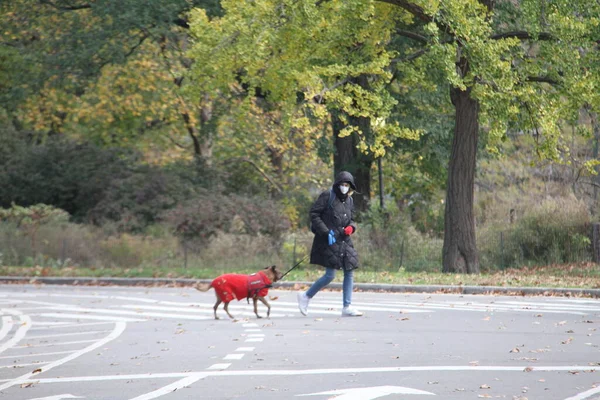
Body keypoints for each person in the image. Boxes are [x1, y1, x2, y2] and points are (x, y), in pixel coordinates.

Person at [297, 171, 363, 317]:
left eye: (347, 185)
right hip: (329, 239)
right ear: (337, 184)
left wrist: (352, 227)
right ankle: (306, 296)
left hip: (345, 240)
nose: (344, 187)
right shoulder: (328, 196)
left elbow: (352, 219)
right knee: (330, 275)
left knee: (349, 270)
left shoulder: (350, 201)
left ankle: (347, 306)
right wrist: (326, 232)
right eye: (342, 184)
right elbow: (314, 214)